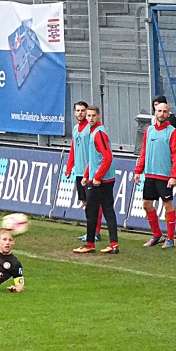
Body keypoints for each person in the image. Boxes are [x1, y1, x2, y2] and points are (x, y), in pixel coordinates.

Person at [134, 100, 176, 249]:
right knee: (147, 204)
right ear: (155, 112)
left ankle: (171, 239)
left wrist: (174, 176)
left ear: (168, 115)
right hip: (149, 175)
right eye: (159, 111)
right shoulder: (149, 130)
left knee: (168, 206)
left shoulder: (173, 132)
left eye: (164, 112)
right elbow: (144, 152)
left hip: (164, 177)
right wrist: (138, 171)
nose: (161, 114)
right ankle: (157, 235)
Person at [73, 105, 119, 255]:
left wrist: (97, 177)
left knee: (92, 212)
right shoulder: (95, 132)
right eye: (89, 116)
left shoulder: (99, 133)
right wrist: (87, 174)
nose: (90, 118)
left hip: (101, 180)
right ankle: (113, 244)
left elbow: (107, 157)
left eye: (93, 116)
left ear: (98, 116)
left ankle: (90, 243)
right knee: (108, 211)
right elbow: (93, 159)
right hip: (102, 178)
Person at [65, 100, 101, 243]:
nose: (80, 113)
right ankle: (92, 231)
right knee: (86, 203)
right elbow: (73, 149)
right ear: (74, 112)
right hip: (79, 172)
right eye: (78, 110)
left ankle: (95, 232)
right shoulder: (76, 129)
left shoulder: (90, 130)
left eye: (82, 111)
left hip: (90, 172)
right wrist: (69, 167)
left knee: (93, 204)